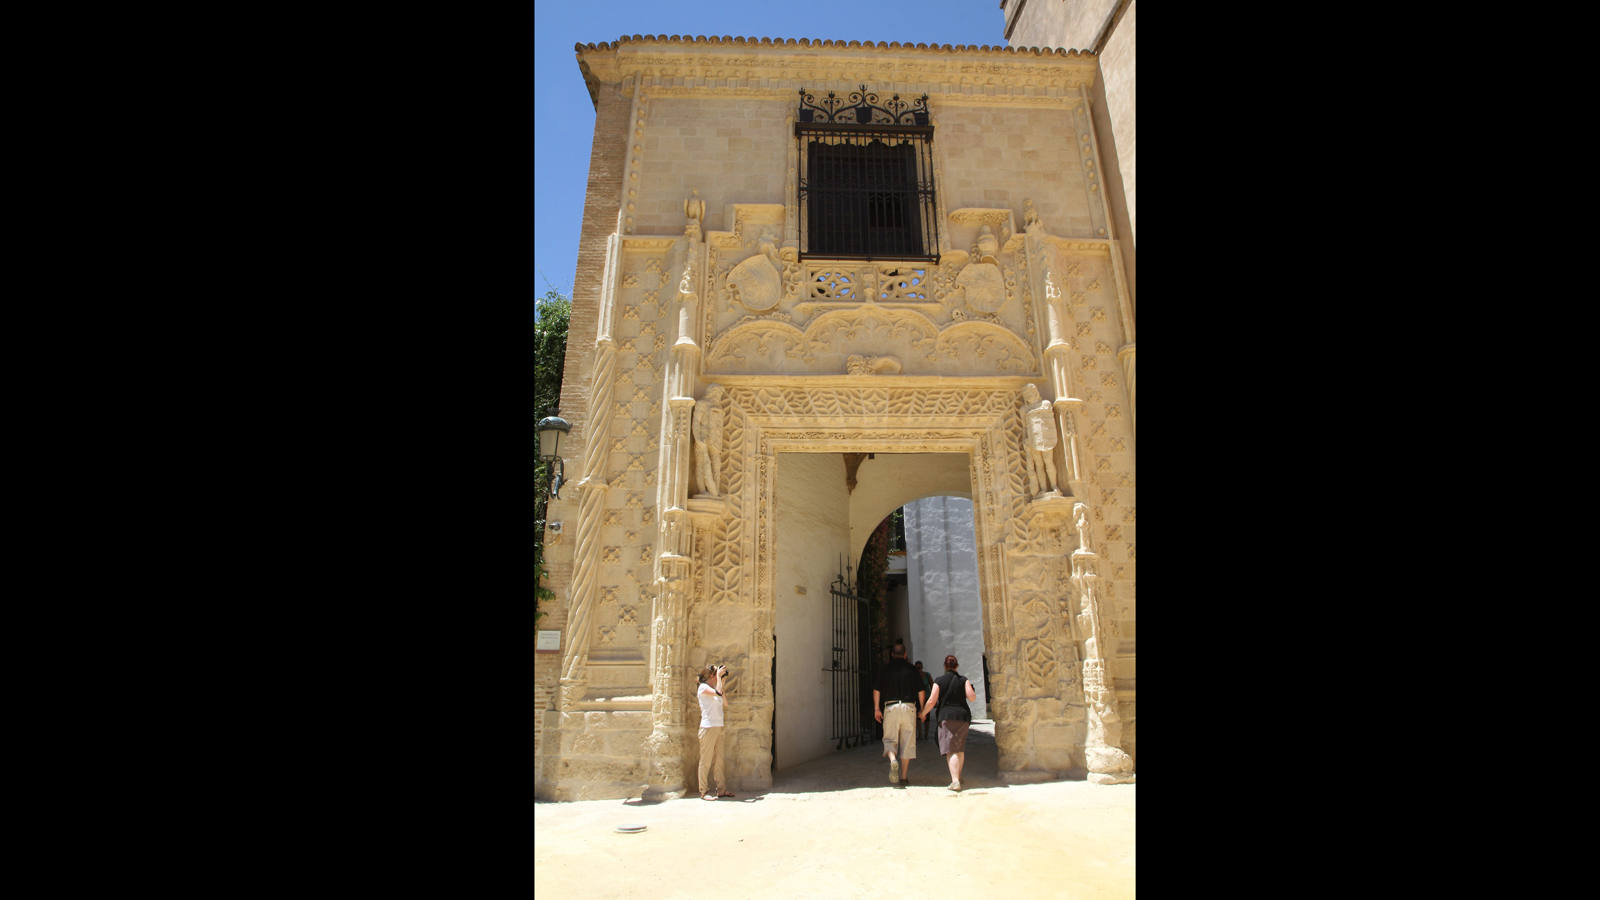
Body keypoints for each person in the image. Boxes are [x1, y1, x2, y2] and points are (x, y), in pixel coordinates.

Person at [921, 654, 978, 792]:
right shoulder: (963, 680)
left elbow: (932, 701)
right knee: (959, 748)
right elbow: (972, 697)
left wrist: (923, 713)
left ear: (945, 666)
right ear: (956, 666)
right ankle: (958, 776)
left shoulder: (939, 680)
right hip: (963, 717)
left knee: (950, 749)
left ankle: (955, 781)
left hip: (947, 716)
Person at [873, 640, 926, 786]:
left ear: (891, 654)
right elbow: (921, 691)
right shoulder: (912, 669)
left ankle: (893, 760)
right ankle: (903, 776)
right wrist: (922, 709)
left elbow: (876, 689)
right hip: (909, 708)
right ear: (905, 654)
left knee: (890, 739)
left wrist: (877, 708)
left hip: (891, 707)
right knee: (907, 741)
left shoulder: (885, 669)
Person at [696, 664, 735, 801]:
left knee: (719, 760)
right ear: (711, 675)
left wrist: (721, 682)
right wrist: (719, 678)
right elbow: (718, 693)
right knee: (706, 760)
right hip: (708, 727)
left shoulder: (715, 689)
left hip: (718, 726)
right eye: (716, 672)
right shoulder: (703, 688)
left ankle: (721, 789)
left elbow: (725, 703)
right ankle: (703, 791)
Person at [914, 661, 934, 740]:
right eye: (917, 668)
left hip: (926, 698)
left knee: (927, 717)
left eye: (919, 668)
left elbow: (932, 685)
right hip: (917, 698)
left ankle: (926, 734)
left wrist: (933, 697)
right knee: (917, 717)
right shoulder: (913, 676)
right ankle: (920, 734)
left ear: (922, 667)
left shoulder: (927, 675)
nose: (918, 669)